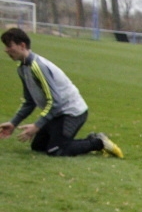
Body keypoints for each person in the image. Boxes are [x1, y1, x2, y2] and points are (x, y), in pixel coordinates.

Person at [0, 28, 123, 158]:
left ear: (22, 45)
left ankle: (99, 142)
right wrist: (14, 123)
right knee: (38, 146)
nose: (6, 50)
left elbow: (55, 101)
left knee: (56, 150)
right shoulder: (22, 69)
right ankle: (86, 139)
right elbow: (29, 101)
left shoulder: (38, 67)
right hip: (57, 114)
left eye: (9, 46)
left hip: (73, 112)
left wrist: (37, 126)